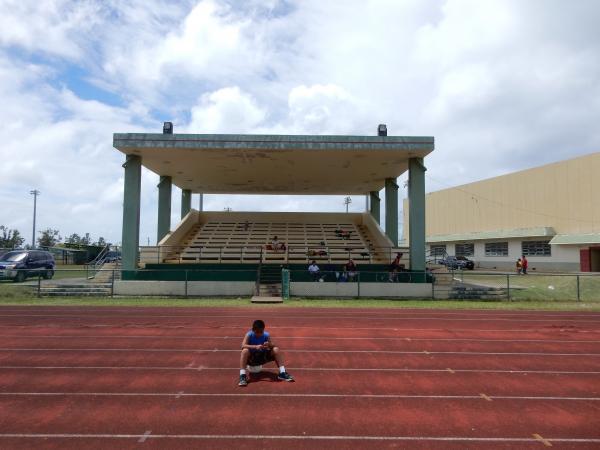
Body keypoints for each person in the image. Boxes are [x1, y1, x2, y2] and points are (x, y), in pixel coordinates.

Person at [239, 320, 294, 386]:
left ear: (263, 330)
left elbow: (273, 345)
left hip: (263, 357)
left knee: (276, 349)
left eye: (261, 332)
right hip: (252, 358)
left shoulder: (266, 335)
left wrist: (269, 344)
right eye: (257, 332)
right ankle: (242, 376)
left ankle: (282, 373)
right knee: (245, 351)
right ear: (253, 330)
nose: (259, 334)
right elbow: (242, 345)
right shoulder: (249, 334)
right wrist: (255, 347)